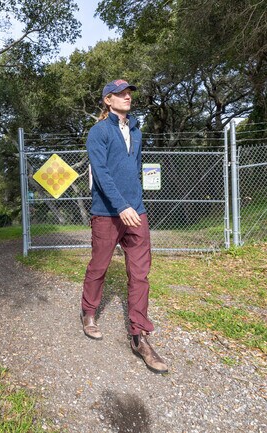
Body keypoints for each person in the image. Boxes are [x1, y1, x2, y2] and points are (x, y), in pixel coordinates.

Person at [80, 79, 168, 374]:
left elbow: (135, 168)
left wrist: (136, 203)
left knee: (140, 273)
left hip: (136, 212)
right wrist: (121, 206)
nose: (127, 96)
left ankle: (138, 336)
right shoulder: (98, 132)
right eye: (120, 93)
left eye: (128, 92)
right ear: (107, 100)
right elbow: (102, 174)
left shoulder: (136, 131)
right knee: (99, 266)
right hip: (107, 212)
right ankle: (89, 312)